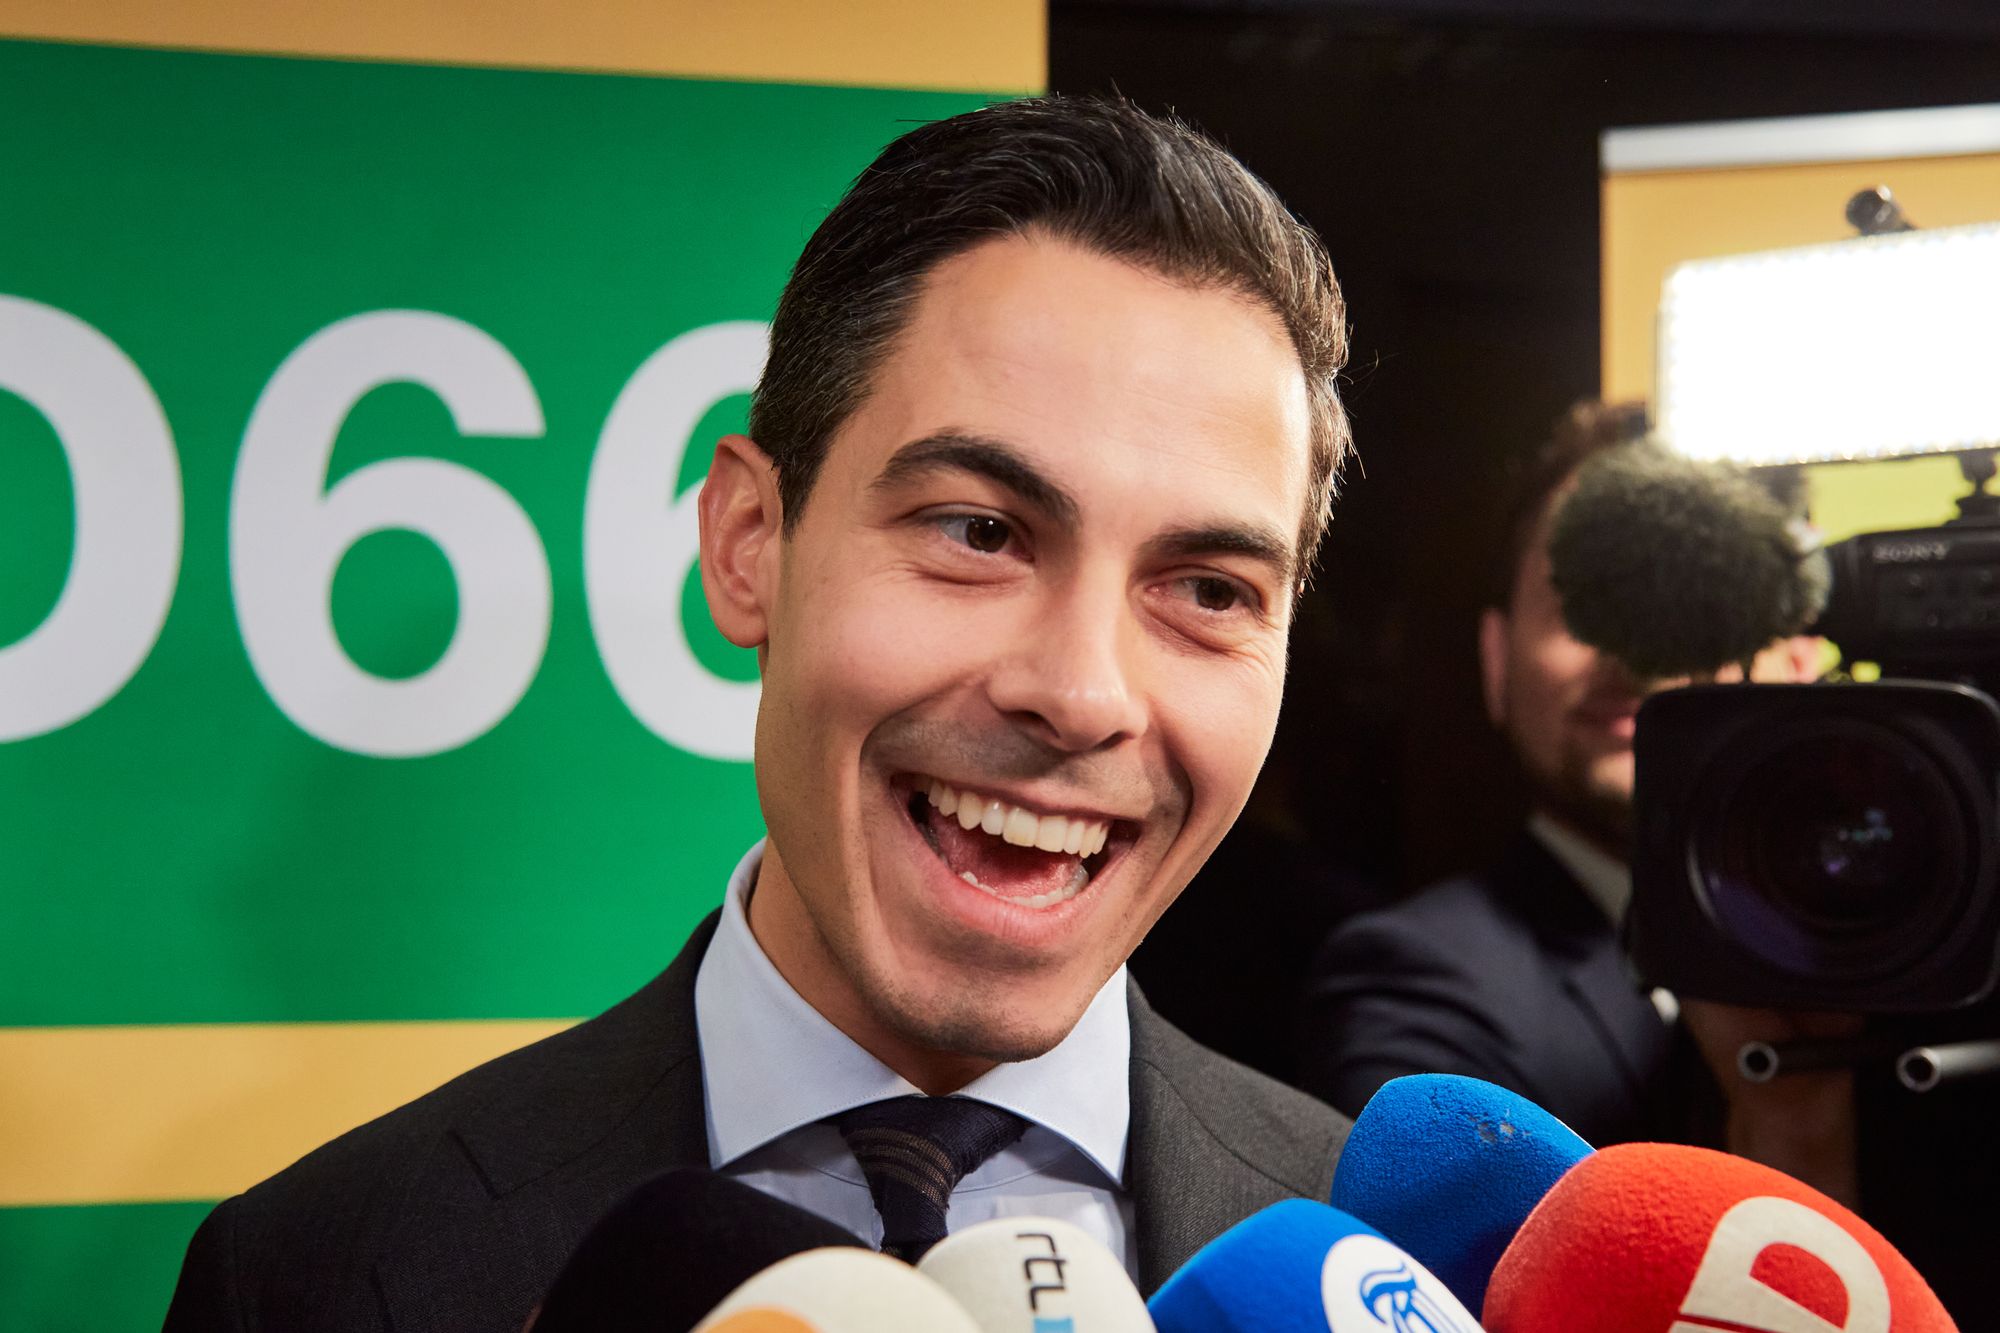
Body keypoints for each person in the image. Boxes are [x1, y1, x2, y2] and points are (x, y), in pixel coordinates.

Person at [165, 96, 1356, 1330]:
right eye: (979, 532)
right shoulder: (312, 1271)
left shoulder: (1378, 1256)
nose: (1082, 693)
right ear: (747, 545)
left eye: (1208, 590)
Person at [1293, 401, 1834, 1162]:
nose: (1633, 656)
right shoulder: (1422, 987)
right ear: (1496, 659)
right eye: (1589, 604)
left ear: (1801, 663)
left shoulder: (1923, 934)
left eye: (1686, 604)